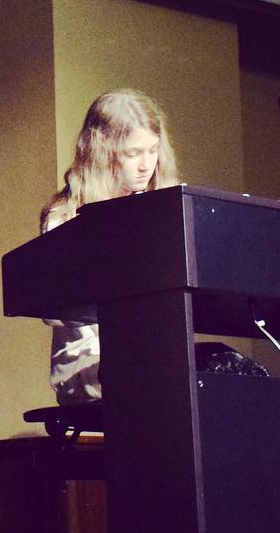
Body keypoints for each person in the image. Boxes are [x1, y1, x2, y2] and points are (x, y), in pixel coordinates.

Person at [39, 89, 178, 404]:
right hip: (87, 367)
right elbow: (56, 308)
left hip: (146, 361)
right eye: (133, 153)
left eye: (153, 151)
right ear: (103, 152)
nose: (147, 165)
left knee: (227, 366)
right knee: (151, 377)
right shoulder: (66, 217)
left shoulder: (157, 210)